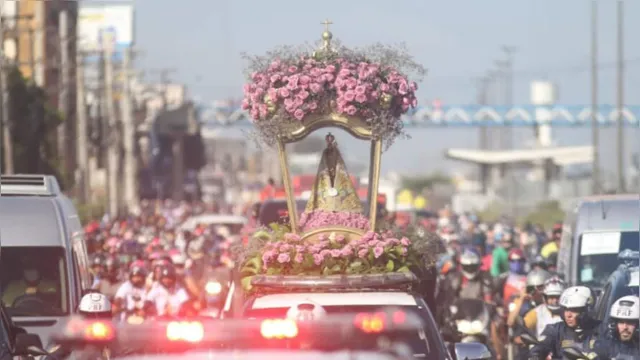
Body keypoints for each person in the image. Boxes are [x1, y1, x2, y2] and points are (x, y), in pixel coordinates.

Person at [528, 286, 602, 360]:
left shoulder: (602, 330)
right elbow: (541, 346)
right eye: (566, 309)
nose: (568, 315)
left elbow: (611, 350)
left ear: (587, 310)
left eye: (574, 310)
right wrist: (535, 355)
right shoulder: (555, 330)